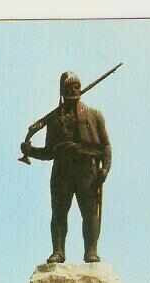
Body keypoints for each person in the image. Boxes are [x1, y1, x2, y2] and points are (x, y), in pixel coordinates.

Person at [21, 71, 112, 263]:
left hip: (87, 170)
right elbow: (49, 152)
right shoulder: (54, 119)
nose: (73, 91)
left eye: (76, 87)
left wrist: (105, 169)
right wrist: (30, 151)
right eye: (69, 88)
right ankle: (58, 251)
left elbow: (105, 146)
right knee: (59, 213)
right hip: (62, 171)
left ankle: (91, 251)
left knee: (89, 213)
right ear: (62, 92)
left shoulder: (94, 116)